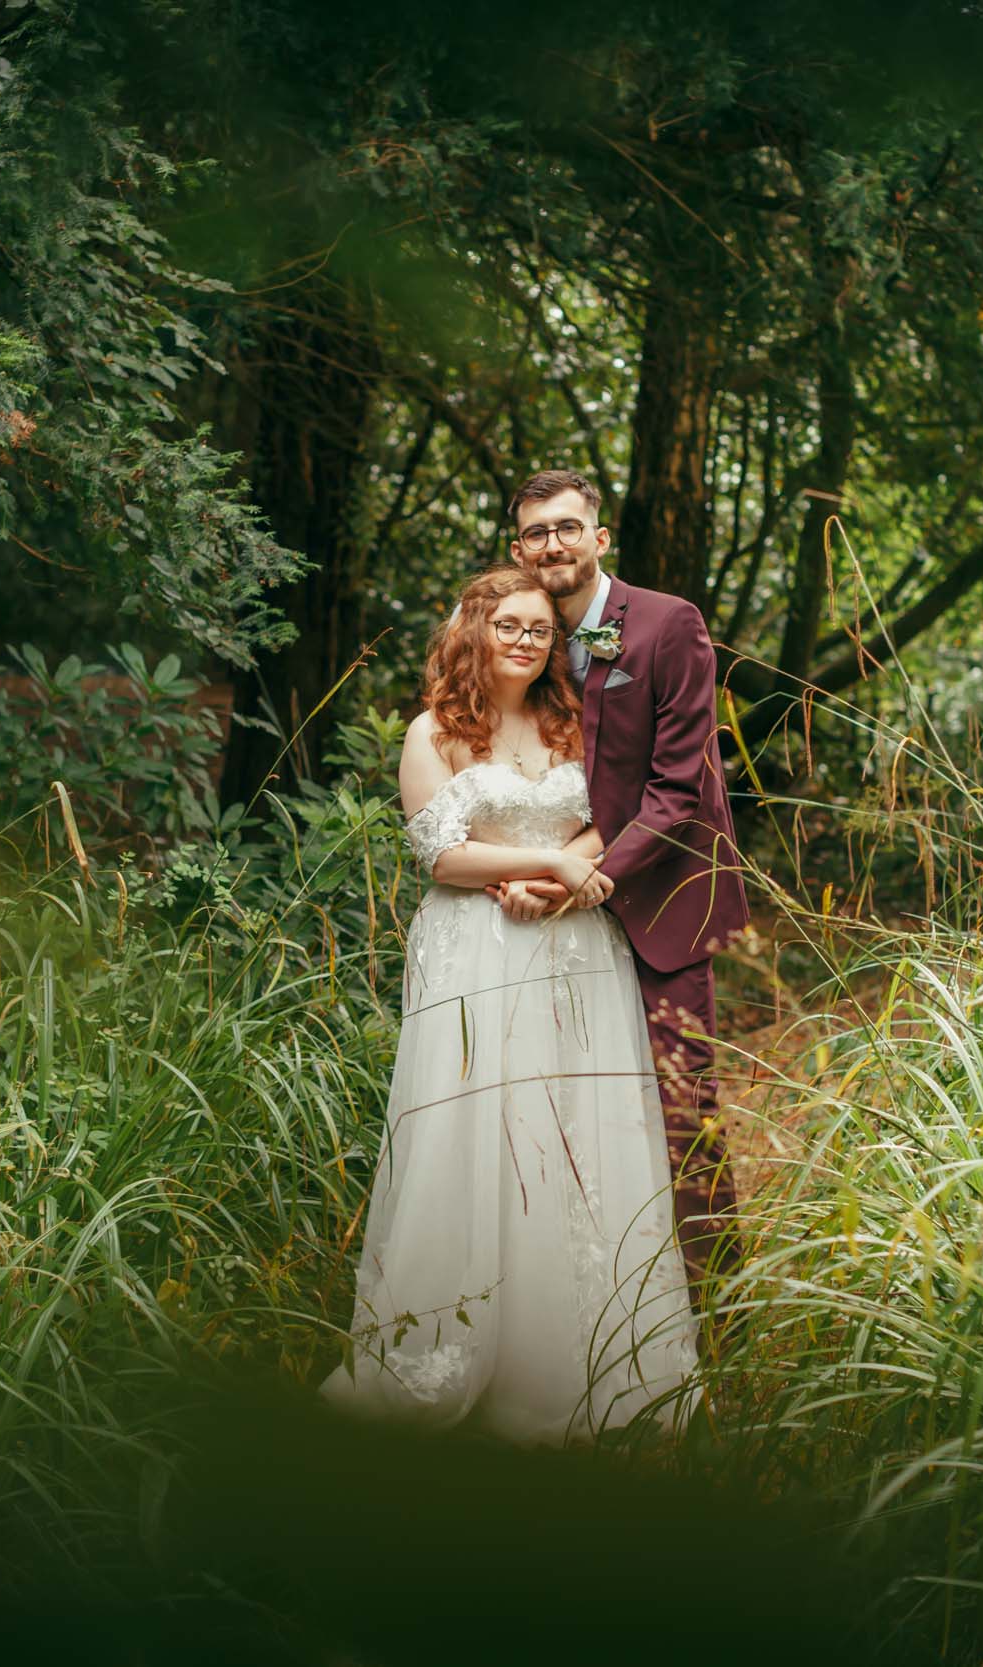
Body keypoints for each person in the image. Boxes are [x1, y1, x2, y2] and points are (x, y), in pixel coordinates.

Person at [318, 566, 702, 1445]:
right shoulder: (436, 732)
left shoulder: (575, 722)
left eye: (539, 628)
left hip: (574, 950)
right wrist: (549, 869)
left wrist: (572, 872)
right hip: (476, 950)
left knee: (575, 1129)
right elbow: (440, 858)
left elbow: (617, 813)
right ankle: (452, 1352)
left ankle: (582, 1361)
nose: (527, 640)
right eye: (510, 626)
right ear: (474, 634)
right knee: (479, 1127)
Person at [488, 469, 751, 1303]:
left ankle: (718, 1306)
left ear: (600, 539)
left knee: (682, 1104)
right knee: (587, 1106)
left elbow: (681, 788)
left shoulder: (670, 626)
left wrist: (586, 875)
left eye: (568, 528)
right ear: (520, 550)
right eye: (537, 533)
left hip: (660, 901)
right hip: (568, 906)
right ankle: (603, 1295)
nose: (554, 545)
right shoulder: (525, 638)